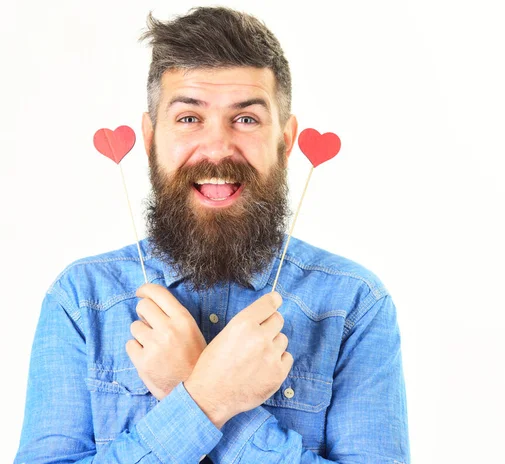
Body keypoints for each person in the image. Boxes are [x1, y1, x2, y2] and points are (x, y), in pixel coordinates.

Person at [14, 6, 410, 464]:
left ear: (284, 141)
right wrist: (208, 398)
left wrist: (201, 395)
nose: (218, 146)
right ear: (150, 137)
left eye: (246, 119)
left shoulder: (354, 304)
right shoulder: (80, 299)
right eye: (188, 118)